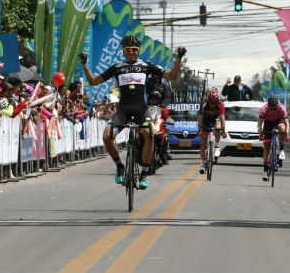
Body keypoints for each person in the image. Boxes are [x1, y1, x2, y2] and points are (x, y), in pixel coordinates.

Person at [79, 35, 186, 189]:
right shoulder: (117, 68)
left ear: (138, 51)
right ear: (123, 51)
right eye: (127, 50)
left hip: (141, 110)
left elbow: (172, 76)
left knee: (149, 133)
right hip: (123, 110)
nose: (131, 52)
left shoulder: (146, 66)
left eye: (134, 50)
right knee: (107, 136)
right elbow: (93, 81)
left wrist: (179, 58)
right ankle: (120, 166)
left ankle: (144, 172)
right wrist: (85, 64)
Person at [258, 96, 289, 181]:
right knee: (267, 147)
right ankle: (265, 171)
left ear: (278, 106)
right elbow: (260, 124)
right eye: (271, 109)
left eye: (275, 109)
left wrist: (286, 133)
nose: (273, 111)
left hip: (279, 121)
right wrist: (260, 133)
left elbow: (287, 123)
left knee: (282, 129)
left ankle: (281, 150)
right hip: (268, 123)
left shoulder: (282, 108)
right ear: (268, 106)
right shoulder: (264, 109)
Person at [197, 90, 227, 174]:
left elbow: (222, 118)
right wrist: (200, 130)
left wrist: (223, 130)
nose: (212, 105)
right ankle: (202, 164)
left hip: (215, 119)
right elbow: (200, 118)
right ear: (208, 100)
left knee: (218, 127)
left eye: (214, 103)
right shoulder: (204, 104)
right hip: (205, 120)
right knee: (203, 142)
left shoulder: (221, 105)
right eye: (211, 103)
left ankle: (217, 146)